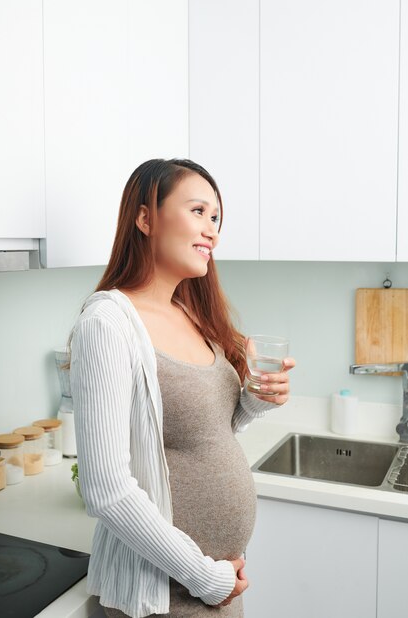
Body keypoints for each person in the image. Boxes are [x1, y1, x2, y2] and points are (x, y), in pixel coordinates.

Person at [69, 158, 295, 618]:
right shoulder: (108, 323)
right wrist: (203, 577)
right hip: (163, 594)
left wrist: (254, 398)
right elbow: (106, 489)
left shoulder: (191, 315)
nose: (211, 230)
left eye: (216, 219)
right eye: (198, 211)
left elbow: (206, 433)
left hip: (219, 584)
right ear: (145, 217)